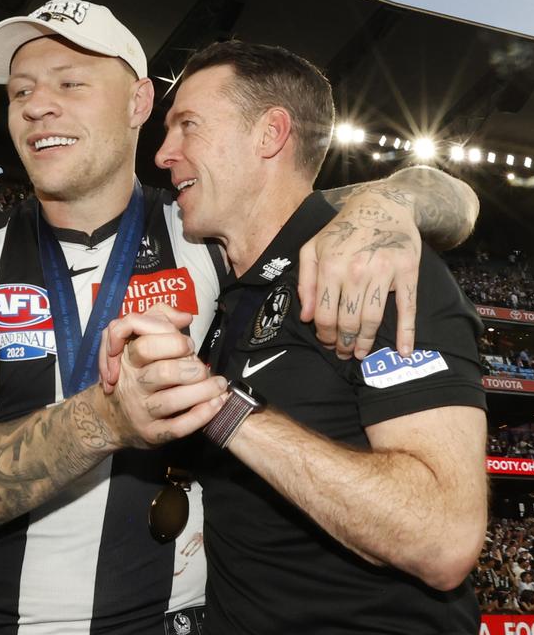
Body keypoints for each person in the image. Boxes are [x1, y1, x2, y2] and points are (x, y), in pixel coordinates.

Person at [0, 0, 479, 634]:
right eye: (20, 91)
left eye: (70, 82)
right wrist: (105, 420)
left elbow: (435, 199)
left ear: (138, 103)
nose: (37, 105)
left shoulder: (206, 231)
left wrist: (387, 203)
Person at [116, 40, 488, 632]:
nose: (163, 153)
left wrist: (222, 410)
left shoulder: (370, 266)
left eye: (188, 126)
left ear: (270, 134)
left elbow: (441, 538)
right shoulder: (235, 288)